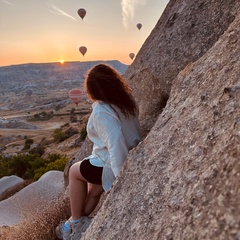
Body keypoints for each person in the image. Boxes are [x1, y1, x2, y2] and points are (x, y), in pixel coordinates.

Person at [56, 64, 141, 240]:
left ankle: (76, 223)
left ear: (92, 90)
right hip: (129, 153)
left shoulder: (102, 110)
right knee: (94, 190)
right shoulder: (125, 101)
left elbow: (115, 141)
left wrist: (120, 177)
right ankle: (72, 223)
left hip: (112, 162)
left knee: (74, 172)